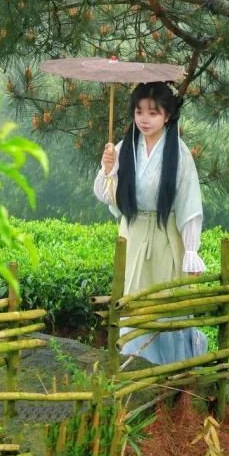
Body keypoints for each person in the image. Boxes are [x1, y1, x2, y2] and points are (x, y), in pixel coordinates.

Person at [93, 81, 208, 366]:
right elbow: (108, 197)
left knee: (165, 304)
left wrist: (191, 252)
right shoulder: (122, 148)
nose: (144, 119)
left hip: (165, 235)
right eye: (139, 111)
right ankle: (136, 365)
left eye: (153, 113)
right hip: (131, 235)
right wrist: (109, 170)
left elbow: (189, 204)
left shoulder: (178, 154)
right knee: (132, 303)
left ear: (167, 116)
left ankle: (172, 370)